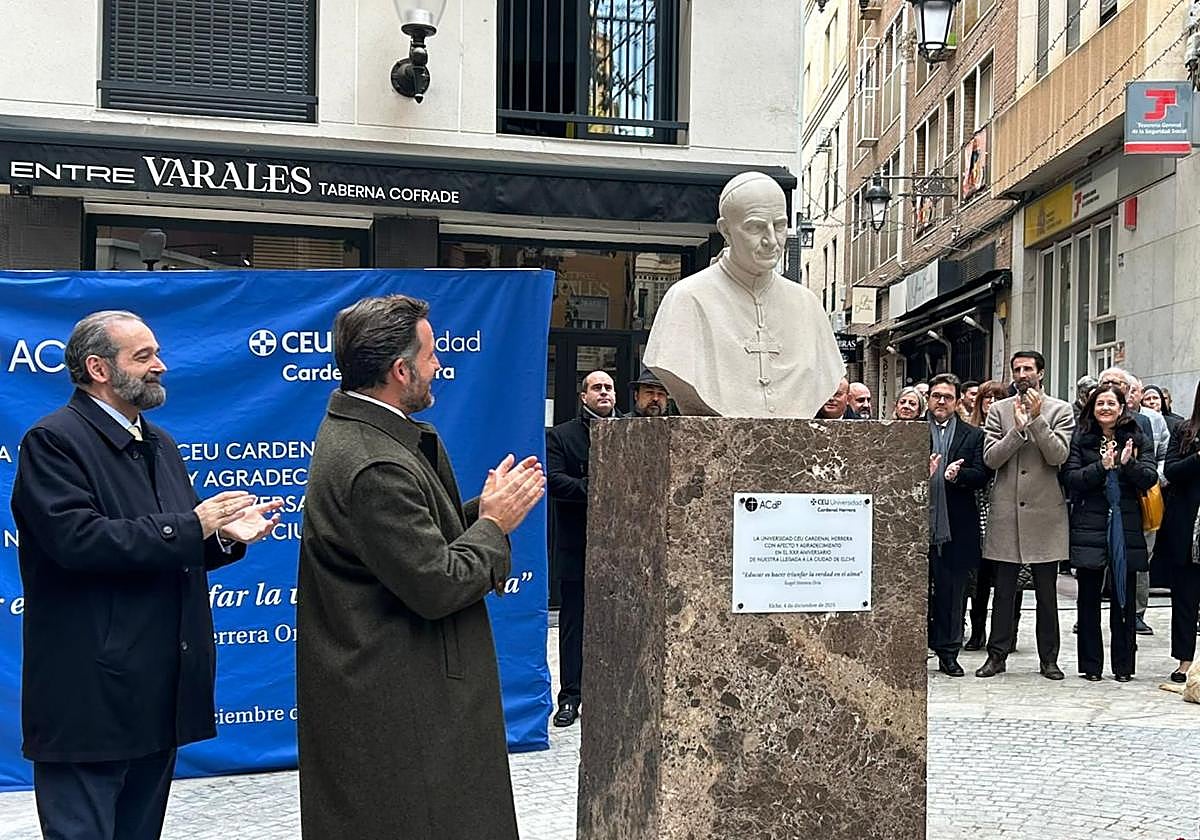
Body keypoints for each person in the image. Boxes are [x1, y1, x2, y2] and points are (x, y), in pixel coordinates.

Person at [10, 310, 281, 840]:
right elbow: (77, 542)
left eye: (156, 353)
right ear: (98, 368)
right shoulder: (54, 441)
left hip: (154, 691)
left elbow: (174, 544)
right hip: (89, 697)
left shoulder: (159, 442)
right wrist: (194, 523)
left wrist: (226, 535)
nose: (161, 365)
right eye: (144, 356)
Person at [296, 295, 545, 840]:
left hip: (405, 690)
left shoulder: (374, 438)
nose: (439, 366)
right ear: (400, 370)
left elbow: (407, 547)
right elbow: (436, 583)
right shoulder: (375, 462)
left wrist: (484, 512)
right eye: (431, 356)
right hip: (403, 701)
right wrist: (495, 525)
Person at [643, 171, 845, 418]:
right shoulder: (686, 299)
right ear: (726, 231)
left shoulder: (808, 305)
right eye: (755, 227)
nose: (771, 240)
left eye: (779, 225)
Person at [977, 350, 1074, 680]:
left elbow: (1058, 455)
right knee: (1003, 592)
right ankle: (997, 655)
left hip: (1046, 514)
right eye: (1017, 369)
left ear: (1041, 373)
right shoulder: (999, 410)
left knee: (1048, 594)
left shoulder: (1060, 409)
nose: (1022, 374)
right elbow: (990, 459)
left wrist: (1035, 421)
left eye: (1028, 369)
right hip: (1006, 513)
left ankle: (1049, 659)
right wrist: (1016, 432)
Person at [1061, 384, 1158, 681]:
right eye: (1100, 403)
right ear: (1092, 408)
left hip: (1125, 524)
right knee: (1088, 599)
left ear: (1122, 408)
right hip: (1090, 522)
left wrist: (1127, 464)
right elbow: (1071, 479)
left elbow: (1150, 477)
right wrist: (1101, 467)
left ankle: (1124, 666)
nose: (1105, 408)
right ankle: (1091, 666)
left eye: (1111, 403)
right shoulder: (1081, 437)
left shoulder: (1137, 437)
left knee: (1124, 599)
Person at [546, 370, 619, 727]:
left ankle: (616, 695)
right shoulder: (561, 436)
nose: (604, 392)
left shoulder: (631, 433)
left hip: (625, 551)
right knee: (574, 624)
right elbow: (555, 480)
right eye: (597, 388)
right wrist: (597, 487)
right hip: (578, 547)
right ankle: (571, 697)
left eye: (609, 388)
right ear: (583, 396)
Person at [925, 374, 990, 676]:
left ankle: (949, 653)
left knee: (953, 594)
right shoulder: (909, 431)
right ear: (929, 399)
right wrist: (919, 471)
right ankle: (916, 647)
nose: (941, 402)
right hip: (917, 528)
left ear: (957, 401)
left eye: (947, 397)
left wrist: (957, 476)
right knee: (918, 593)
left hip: (956, 526)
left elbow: (982, 474)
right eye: (936, 395)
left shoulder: (972, 435)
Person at [1099, 367, 1167, 635]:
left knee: (1138, 560)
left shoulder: (1146, 420)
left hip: (1136, 498)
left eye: (1116, 383)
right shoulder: (1089, 419)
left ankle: (1137, 613)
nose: (1110, 386)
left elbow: (1159, 455)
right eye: (1105, 383)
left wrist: (1152, 476)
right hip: (1100, 499)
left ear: (1128, 390)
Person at [964, 379, 1014, 650]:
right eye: (987, 399)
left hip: (1007, 503)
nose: (991, 403)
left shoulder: (1012, 429)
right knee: (980, 574)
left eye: (997, 398)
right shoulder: (972, 432)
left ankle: (1009, 631)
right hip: (980, 503)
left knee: (1010, 575)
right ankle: (978, 629)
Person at [1159, 382, 1200, 684]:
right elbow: (1170, 471)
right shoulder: (1185, 431)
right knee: (1185, 598)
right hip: (1188, 528)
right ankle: (1185, 660)